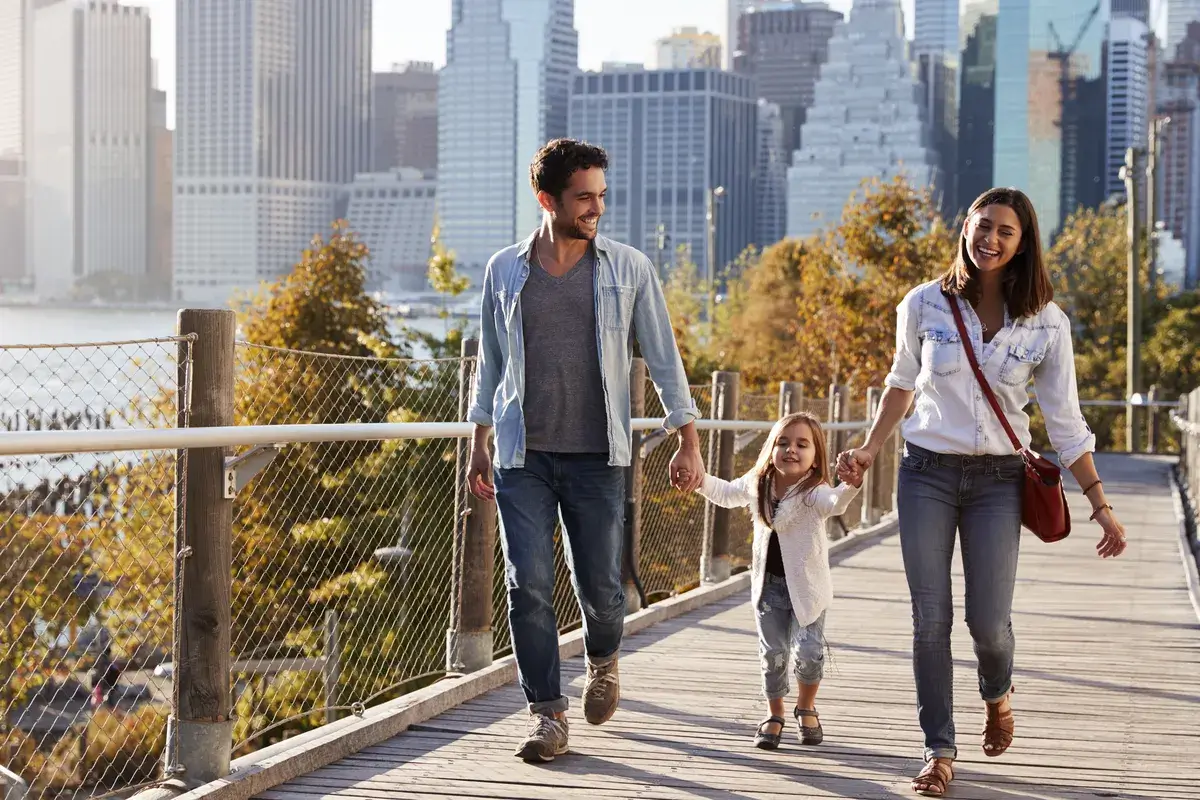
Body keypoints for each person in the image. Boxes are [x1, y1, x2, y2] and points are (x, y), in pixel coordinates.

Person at [838, 187, 1128, 797]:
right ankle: (938, 750)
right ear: (965, 227)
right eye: (982, 226)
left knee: (989, 624)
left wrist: (1100, 505)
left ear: (1023, 245)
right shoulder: (923, 303)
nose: (989, 239)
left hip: (999, 481)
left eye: (1005, 232)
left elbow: (1066, 422)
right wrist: (869, 448)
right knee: (929, 619)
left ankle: (997, 694)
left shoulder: (1047, 322)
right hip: (926, 473)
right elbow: (900, 384)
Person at [465, 138, 705, 763]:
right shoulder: (504, 270)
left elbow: (663, 357)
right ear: (547, 200)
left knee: (601, 588)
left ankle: (604, 660)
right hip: (524, 455)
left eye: (601, 195)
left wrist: (688, 442)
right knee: (528, 585)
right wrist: (479, 442)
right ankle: (547, 713)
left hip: (600, 456)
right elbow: (489, 363)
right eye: (583, 197)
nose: (596, 208)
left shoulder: (628, 268)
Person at [679, 412, 861, 750]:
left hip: (807, 590)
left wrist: (850, 483)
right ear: (771, 447)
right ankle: (774, 712)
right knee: (773, 654)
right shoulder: (759, 481)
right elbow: (727, 493)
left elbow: (836, 503)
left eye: (802, 445)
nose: (791, 450)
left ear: (815, 456)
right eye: (783, 442)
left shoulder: (814, 491)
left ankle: (806, 706)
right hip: (770, 587)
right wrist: (699, 479)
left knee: (808, 653)